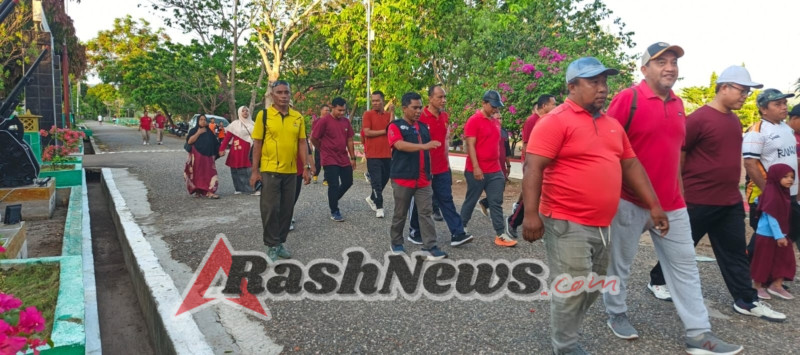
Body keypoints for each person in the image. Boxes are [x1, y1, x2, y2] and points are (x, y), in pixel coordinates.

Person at [522, 56, 671, 355]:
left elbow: (631, 166)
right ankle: (564, 346)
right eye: (594, 82)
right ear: (572, 86)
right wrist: (530, 216)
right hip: (565, 220)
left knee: (593, 285)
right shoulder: (556, 121)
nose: (602, 88)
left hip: (603, 223)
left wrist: (654, 206)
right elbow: (533, 167)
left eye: (604, 82)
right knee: (574, 285)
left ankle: (565, 322)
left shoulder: (613, 125)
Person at [601, 44, 742, 354]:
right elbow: (607, 147)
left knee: (685, 268)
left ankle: (699, 333)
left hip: (673, 204)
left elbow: (677, 154)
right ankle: (616, 312)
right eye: (661, 61)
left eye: (674, 62)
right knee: (619, 263)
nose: (670, 67)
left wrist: (679, 193)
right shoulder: (629, 99)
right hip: (629, 200)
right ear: (644, 69)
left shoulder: (679, 104)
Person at [647, 65, 785, 322]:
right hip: (698, 199)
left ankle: (746, 299)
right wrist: (678, 191)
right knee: (682, 247)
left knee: (735, 253)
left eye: (747, 91)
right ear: (724, 88)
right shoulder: (699, 118)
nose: (745, 96)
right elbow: (680, 154)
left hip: (730, 200)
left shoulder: (734, 120)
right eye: (742, 90)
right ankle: (657, 280)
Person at [249, 80, 311, 261]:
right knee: (270, 209)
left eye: (286, 92)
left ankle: (280, 242)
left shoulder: (297, 117)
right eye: (280, 92)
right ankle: (271, 245)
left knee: (286, 210)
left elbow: (302, 143)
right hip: (269, 170)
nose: (284, 96)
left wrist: (306, 167)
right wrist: (255, 171)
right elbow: (257, 143)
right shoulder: (264, 116)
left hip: (291, 172)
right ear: (272, 95)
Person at [407, 85, 474, 247]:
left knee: (446, 200)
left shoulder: (445, 117)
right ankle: (414, 230)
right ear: (430, 98)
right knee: (421, 202)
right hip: (424, 169)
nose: (443, 100)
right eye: (439, 97)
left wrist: (448, 165)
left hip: (442, 169)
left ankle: (457, 233)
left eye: (444, 97)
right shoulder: (420, 117)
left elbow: (445, 143)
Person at [388, 92, 447, 260]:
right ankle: (396, 242)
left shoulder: (422, 127)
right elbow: (399, 144)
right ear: (404, 108)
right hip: (403, 178)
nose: (418, 111)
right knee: (400, 212)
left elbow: (430, 151)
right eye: (414, 107)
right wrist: (423, 146)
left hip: (423, 179)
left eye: (420, 107)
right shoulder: (395, 126)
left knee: (426, 212)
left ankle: (431, 246)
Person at [744, 88, 800, 260]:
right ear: (763, 108)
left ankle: (770, 277)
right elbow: (750, 163)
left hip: (788, 192)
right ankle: (750, 271)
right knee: (766, 235)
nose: (784, 107)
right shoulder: (757, 131)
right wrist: (769, 193)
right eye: (778, 104)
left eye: (784, 103)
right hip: (765, 194)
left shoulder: (787, 129)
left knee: (788, 230)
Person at [460, 90, 517, 247]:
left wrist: (503, 167)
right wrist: (477, 168)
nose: (495, 110)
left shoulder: (496, 122)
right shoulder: (473, 121)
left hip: (495, 170)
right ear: (484, 103)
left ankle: (500, 234)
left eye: (497, 107)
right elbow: (470, 145)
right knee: (471, 200)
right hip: (476, 170)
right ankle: (460, 228)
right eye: (493, 106)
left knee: (495, 202)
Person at [506, 94, 556, 238]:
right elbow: (527, 144)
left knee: (538, 194)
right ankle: (513, 222)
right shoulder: (532, 121)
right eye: (553, 104)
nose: (556, 107)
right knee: (534, 194)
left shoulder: (549, 120)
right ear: (544, 106)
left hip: (545, 163)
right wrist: (530, 165)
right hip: (533, 163)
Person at [751, 163, 797, 301]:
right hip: (767, 235)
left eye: (792, 177)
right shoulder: (772, 193)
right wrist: (779, 236)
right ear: (776, 177)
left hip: (781, 234)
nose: (790, 180)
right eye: (785, 176)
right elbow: (772, 216)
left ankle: (776, 285)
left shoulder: (782, 192)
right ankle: (756, 286)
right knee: (763, 260)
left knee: (785, 259)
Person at [311, 97, 356, 222]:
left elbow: (350, 139)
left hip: (343, 156)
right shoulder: (324, 121)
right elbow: (314, 138)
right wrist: (321, 148)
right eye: (339, 110)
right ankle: (334, 210)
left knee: (348, 182)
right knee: (334, 184)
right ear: (333, 108)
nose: (342, 113)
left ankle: (333, 199)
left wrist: (353, 157)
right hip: (329, 158)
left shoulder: (346, 122)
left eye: (344, 111)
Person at [362, 91, 393, 218]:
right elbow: (367, 132)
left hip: (387, 154)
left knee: (385, 179)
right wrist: (383, 131)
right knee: (376, 182)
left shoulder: (387, 114)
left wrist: (392, 112)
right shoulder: (367, 114)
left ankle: (372, 198)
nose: (375, 103)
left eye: (377, 100)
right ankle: (379, 206)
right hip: (373, 154)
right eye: (373, 100)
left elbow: (391, 128)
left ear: (383, 101)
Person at [220, 106, 255, 195]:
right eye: (243, 111)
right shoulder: (234, 124)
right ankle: (238, 188)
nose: (245, 112)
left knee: (249, 170)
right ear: (239, 113)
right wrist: (222, 149)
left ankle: (251, 188)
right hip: (237, 151)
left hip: (249, 151)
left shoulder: (253, 124)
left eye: (246, 111)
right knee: (236, 170)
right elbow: (227, 138)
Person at [184, 114, 221, 199]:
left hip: (208, 157)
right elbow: (189, 141)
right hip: (197, 156)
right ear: (198, 121)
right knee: (197, 172)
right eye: (201, 119)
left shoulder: (209, 132)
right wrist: (198, 132)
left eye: (204, 119)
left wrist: (220, 151)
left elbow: (216, 143)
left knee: (209, 173)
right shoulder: (193, 130)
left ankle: (210, 191)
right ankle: (198, 190)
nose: (203, 121)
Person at [290, 140, 316, 231]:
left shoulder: (299, 126)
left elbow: (306, 149)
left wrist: (310, 166)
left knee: (294, 194)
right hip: (279, 168)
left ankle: (287, 214)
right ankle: (284, 216)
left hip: (298, 167)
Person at [312, 105, 331, 184]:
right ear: (321, 111)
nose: (327, 112)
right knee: (318, 161)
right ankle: (315, 175)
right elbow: (313, 134)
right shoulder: (316, 121)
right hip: (319, 144)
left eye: (328, 110)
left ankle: (326, 179)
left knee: (328, 162)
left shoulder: (330, 121)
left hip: (328, 144)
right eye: (326, 110)